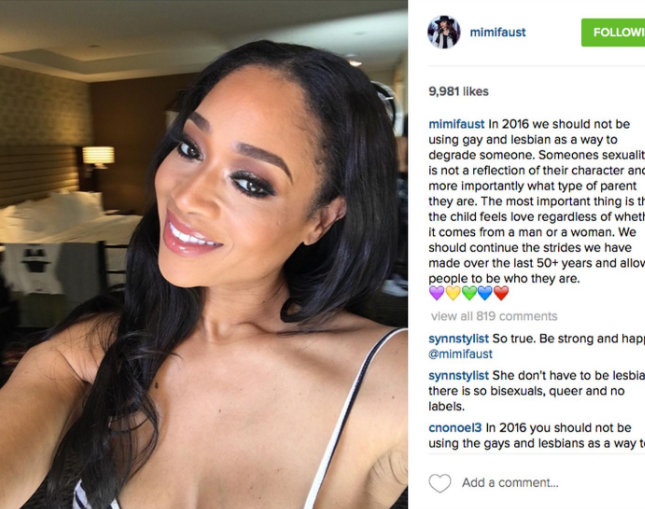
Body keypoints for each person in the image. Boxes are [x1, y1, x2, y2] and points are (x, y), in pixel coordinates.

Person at [0, 41, 407, 509]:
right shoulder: (92, 348)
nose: (186, 196)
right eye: (190, 148)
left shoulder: (395, 376)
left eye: (249, 182)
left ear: (321, 218)